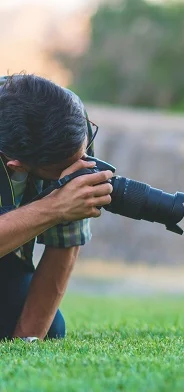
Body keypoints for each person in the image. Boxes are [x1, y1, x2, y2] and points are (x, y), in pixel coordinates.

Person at [0, 73, 114, 341]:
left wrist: (27, 342)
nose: (82, 166)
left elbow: (65, 243)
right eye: (64, 171)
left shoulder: (70, 118)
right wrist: (54, 208)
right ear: (16, 165)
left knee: (49, 329)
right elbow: (59, 209)